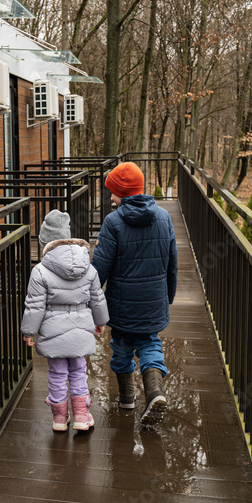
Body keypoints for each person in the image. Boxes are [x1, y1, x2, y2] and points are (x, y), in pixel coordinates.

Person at [91, 162, 178, 423]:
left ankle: (127, 399)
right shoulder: (164, 217)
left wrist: (92, 305)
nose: (111, 197)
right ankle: (154, 393)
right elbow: (172, 264)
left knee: (121, 347)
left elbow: (99, 270)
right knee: (150, 343)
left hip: (121, 305)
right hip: (154, 302)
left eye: (113, 192)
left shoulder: (112, 222)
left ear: (123, 192)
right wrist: (167, 297)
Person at [21, 209, 109, 431]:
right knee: (79, 371)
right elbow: (97, 298)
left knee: (58, 374)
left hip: (53, 333)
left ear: (44, 243)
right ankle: (81, 415)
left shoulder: (39, 271)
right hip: (81, 330)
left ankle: (60, 419)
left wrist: (29, 331)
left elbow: (35, 305)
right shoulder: (88, 267)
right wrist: (101, 321)